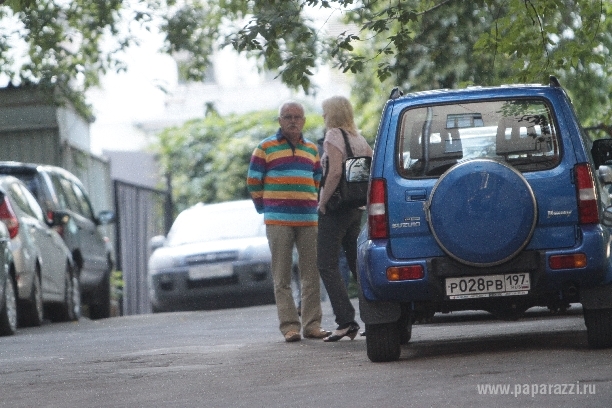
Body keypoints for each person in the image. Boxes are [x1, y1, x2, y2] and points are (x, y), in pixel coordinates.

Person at [247, 100, 331, 342]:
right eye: (288, 116)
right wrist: (267, 208)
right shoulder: (265, 148)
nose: (293, 121)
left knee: (311, 274)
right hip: (278, 221)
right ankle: (289, 327)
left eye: (297, 117)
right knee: (281, 275)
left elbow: (317, 180)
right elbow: (254, 181)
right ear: (280, 121)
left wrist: (309, 203)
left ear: (304, 121)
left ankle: (312, 325)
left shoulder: (312, 149)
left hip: (308, 219)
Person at [317, 95, 373, 342]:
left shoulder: (333, 136)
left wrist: (322, 202)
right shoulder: (358, 138)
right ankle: (374, 317)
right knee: (356, 264)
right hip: (355, 208)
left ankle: (345, 321)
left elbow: (335, 172)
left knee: (326, 263)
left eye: (324, 112)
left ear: (332, 113)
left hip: (337, 207)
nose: (322, 116)